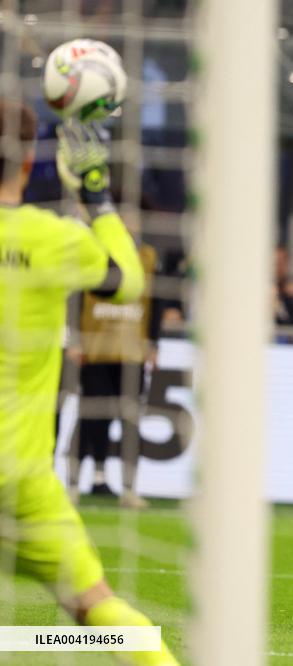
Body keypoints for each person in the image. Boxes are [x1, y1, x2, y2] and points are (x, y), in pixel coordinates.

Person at [0, 101, 178, 664]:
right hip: (21, 484)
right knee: (95, 614)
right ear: (29, 161)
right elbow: (127, 282)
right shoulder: (51, 237)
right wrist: (95, 196)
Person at [66, 241, 160, 509]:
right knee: (91, 419)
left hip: (132, 353)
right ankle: (73, 484)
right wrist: (75, 337)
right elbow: (75, 295)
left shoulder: (147, 257)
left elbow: (157, 300)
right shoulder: (91, 252)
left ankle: (129, 489)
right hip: (96, 350)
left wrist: (154, 342)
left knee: (130, 422)